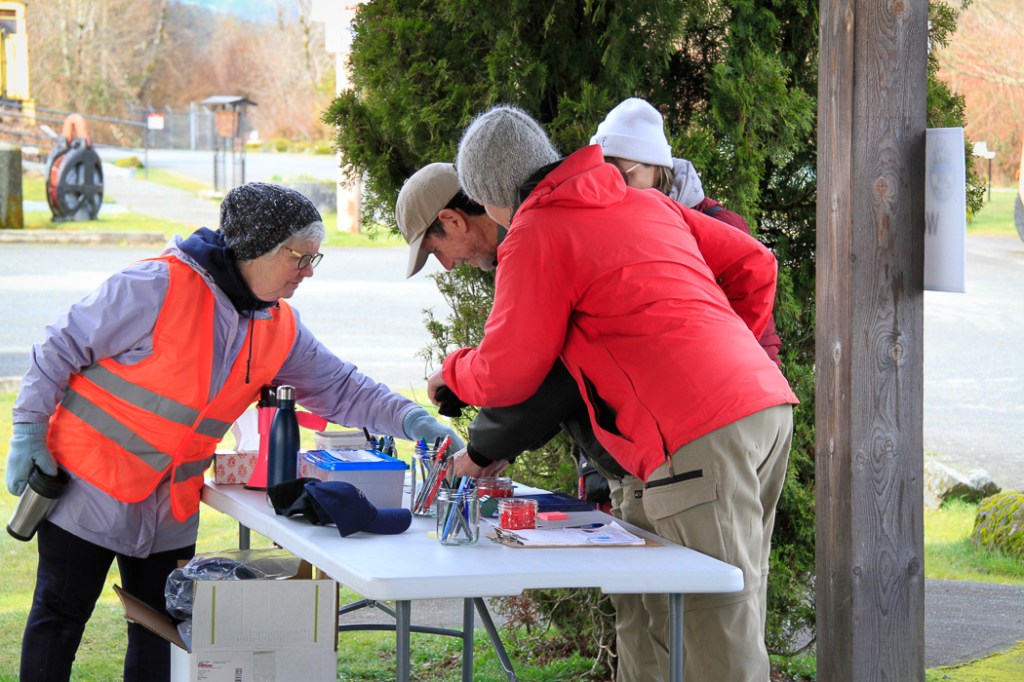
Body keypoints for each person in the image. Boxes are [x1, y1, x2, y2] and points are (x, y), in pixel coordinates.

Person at [5, 182, 462, 682]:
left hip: (167, 508)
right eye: (299, 257)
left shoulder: (279, 325)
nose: (308, 271)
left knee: (163, 633)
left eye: (316, 258)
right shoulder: (155, 286)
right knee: (60, 619)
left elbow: (343, 387)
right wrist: (28, 428)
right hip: (85, 487)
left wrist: (414, 419)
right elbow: (59, 347)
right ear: (255, 249)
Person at [427, 105, 798, 682]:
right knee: (707, 611)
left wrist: (452, 373)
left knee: (715, 638)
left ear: (492, 194)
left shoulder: (536, 229)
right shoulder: (643, 201)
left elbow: (511, 372)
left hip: (698, 435)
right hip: (764, 412)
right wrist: (728, 362)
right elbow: (755, 264)